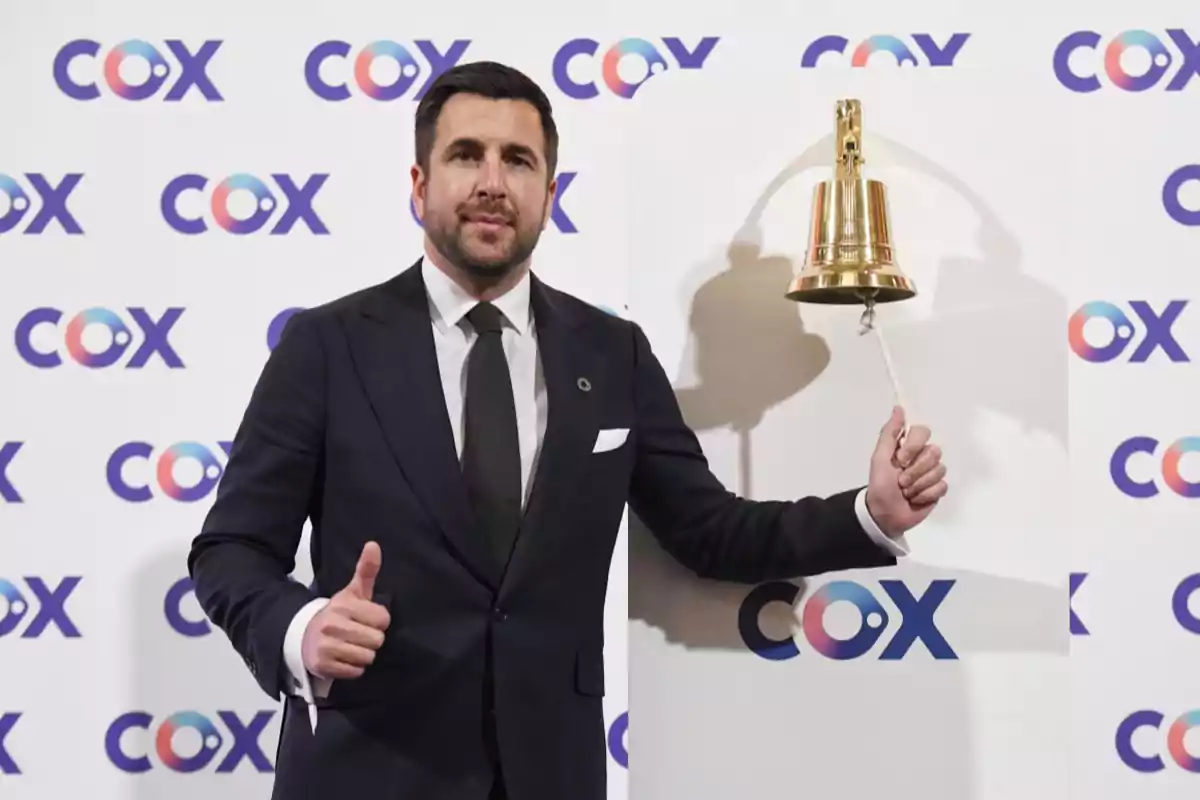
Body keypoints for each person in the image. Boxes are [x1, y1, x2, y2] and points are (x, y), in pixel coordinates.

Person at [186, 60, 948, 800]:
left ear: (549, 193)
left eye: (518, 160)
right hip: (367, 771)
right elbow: (231, 549)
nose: (492, 182)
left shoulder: (610, 354)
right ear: (419, 187)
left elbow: (709, 531)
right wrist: (302, 627)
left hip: (549, 774)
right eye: (465, 156)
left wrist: (869, 515)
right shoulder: (327, 346)